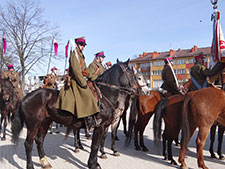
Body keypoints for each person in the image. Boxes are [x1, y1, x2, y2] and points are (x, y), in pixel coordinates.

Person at [56, 36, 101, 127]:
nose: (83, 47)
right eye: (81, 45)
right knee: (88, 95)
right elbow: (76, 71)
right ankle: (88, 119)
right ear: (77, 45)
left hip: (79, 78)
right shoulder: (74, 54)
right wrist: (83, 83)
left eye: (84, 45)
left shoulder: (80, 55)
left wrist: (94, 77)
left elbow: (85, 70)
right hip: (75, 80)